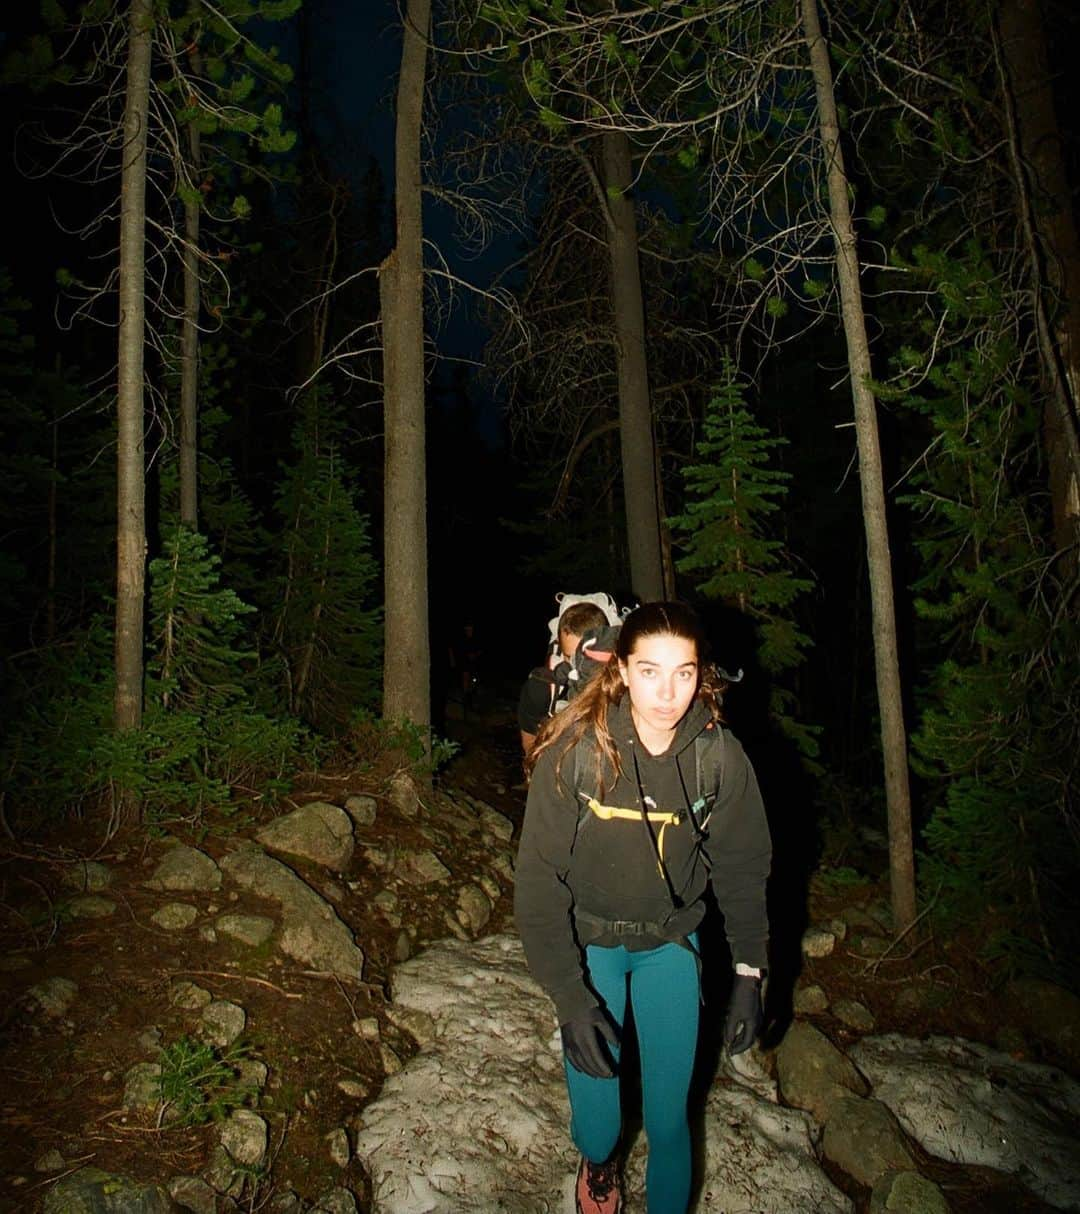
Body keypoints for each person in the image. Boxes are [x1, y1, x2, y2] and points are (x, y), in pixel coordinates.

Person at [514, 601, 772, 1214]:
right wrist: (570, 1000)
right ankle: (598, 1161)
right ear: (622, 671)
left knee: (669, 1118)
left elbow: (742, 869)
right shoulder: (577, 753)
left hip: (669, 948)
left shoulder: (719, 759)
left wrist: (749, 972)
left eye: (683, 673)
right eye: (650, 671)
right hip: (591, 947)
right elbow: (538, 881)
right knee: (601, 1128)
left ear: (700, 674)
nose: (668, 692)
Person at [517, 600, 610, 756]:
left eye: (584, 657)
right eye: (569, 657)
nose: (576, 667)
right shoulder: (541, 688)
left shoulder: (627, 685)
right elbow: (530, 748)